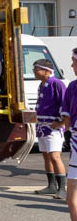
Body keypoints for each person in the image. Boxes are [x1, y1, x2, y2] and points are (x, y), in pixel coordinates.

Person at [32, 59, 67, 198]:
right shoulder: (42, 84)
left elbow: (65, 103)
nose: (34, 72)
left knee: (55, 156)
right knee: (46, 156)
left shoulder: (57, 84)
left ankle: (62, 188)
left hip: (53, 126)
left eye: (37, 69)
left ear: (47, 71)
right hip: (42, 125)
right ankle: (51, 185)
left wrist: (62, 123)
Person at [57, 49, 77, 221]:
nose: (72, 66)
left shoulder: (73, 86)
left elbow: (68, 121)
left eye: (73, 62)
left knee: (73, 199)